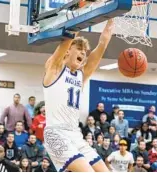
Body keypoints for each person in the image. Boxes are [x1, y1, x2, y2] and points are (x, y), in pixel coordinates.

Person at [43, 19, 113, 172]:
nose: (83, 52)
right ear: (68, 50)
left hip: (75, 134)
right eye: (79, 48)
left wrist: (111, 18)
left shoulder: (81, 75)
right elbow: (68, 39)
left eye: (85, 51)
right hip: (56, 133)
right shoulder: (54, 68)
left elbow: (101, 46)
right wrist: (81, 12)